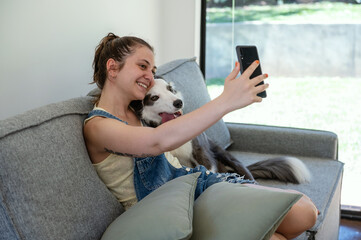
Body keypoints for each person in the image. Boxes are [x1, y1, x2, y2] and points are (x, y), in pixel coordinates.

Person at [83, 32, 318, 240]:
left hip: (194, 185)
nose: (150, 77)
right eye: (143, 66)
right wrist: (226, 101)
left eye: (153, 70)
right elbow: (156, 142)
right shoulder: (99, 126)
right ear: (112, 68)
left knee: (303, 211)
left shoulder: (140, 111)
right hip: (167, 208)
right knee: (301, 213)